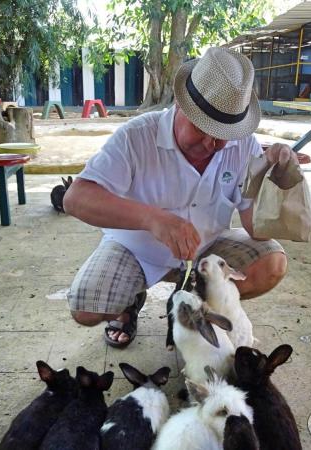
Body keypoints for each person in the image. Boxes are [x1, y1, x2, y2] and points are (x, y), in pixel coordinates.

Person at [63, 46, 297, 348]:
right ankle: (128, 305)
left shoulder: (244, 145)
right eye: (202, 129)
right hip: (135, 249)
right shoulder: (136, 137)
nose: (212, 143)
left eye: (222, 132)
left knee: (272, 263)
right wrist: (153, 219)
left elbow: (255, 229)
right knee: (86, 307)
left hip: (205, 250)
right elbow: (76, 198)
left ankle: (193, 306)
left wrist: (275, 181)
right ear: (180, 105)